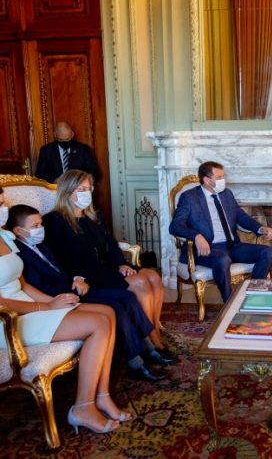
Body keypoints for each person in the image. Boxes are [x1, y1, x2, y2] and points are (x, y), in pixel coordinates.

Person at [0, 187, 126, 433]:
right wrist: (45, 307)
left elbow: (23, 284)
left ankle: (102, 396)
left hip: (30, 304)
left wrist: (55, 301)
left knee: (107, 313)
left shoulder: (5, 236)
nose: (4, 209)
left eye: (3, 203)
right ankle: (83, 408)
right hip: (8, 320)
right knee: (98, 324)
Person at [6, 204, 171, 382]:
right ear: (18, 231)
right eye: (35, 226)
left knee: (128, 297)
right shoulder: (19, 253)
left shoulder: (41, 245)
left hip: (75, 285)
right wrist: (63, 295)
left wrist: (77, 278)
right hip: (62, 295)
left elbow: (62, 267)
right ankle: (136, 363)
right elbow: (39, 285)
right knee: (117, 307)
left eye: (41, 224)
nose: (41, 229)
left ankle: (149, 347)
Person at [42, 170, 168, 356]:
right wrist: (75, 278)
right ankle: (154, 343)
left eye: (89, 189)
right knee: (140, 282)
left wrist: (121, 263)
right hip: (86, 274)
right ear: (67, 191)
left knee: (153, 276)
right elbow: (54, 259)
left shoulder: (94, 217)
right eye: (81, 189)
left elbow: (111, 244)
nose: (87, 193)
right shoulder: (54, 221)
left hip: (108, 266)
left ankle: (153, 328)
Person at [169, 161, 272, 302]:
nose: (223, 180)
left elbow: (241, 217)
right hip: (207, 249)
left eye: (223, 176)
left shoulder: (226, 194)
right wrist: (196, 236)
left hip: (232, 246)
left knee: (267, 252)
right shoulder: (189, 198)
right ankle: (229, 301)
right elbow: (175, 226)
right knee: (222, 259)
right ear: (207, 180)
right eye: (219, 177)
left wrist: (260, 228)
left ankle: (254, 295)